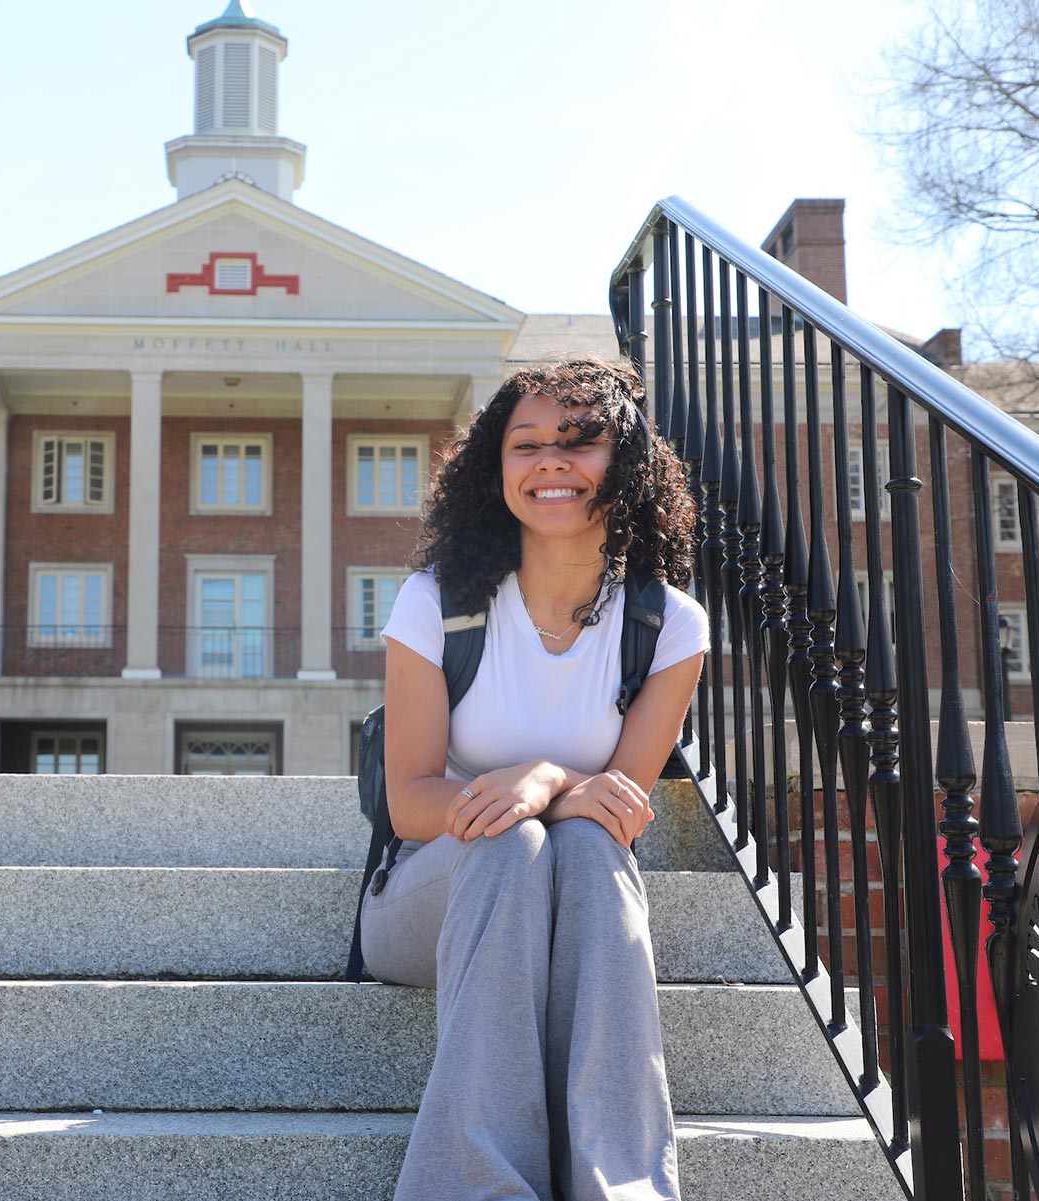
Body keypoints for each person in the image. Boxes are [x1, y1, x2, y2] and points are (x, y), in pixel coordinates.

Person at [362, 354, 707, 1201]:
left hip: (578, 890)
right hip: (430, 895)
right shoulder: (436, 601)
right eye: (527, 444)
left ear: (623, 464)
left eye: (579, 440)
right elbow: (411, 801)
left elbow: (618, 811)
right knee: (511, 842)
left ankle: (620, 1186)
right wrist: (542, 784)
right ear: (498, 468)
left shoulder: (668, 625)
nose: (550, 459)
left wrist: (545, 779)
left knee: (589, 849)